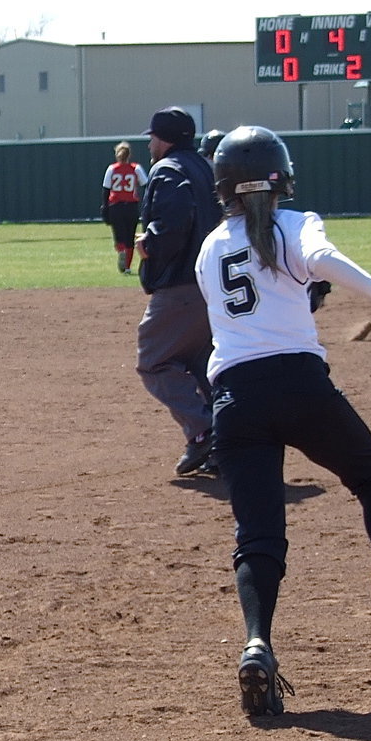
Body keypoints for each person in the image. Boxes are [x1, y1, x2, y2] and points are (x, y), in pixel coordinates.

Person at [194, 125, 371, 718]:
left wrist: (301, 292)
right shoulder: (296, 222)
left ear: (223, 189)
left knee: (258, 536)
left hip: (234, 397)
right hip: (300, 386)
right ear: (282, 177)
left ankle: (257, 642)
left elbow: (256, 299)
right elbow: (318, 259)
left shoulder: (210, 248)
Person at [134, 106, 222, 476]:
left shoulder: (168, 169)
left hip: (181, 284)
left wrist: (150, 243)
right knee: (202, 364)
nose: (150, 143)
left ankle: (204, 434)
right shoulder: (205, 166)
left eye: (153, 136)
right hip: (210, 280)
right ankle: (229, 438)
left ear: (165, 138)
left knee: (154, 360)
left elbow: (173, 219)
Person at [101, 140, 148, 274]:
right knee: (130, 236)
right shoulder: (136, 168)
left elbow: (106, 189)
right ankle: (127, 267)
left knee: (118, 235)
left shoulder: (112, 168)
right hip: (131, 206)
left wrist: (105, 207)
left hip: (116, 205)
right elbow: (146, 185)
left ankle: (120, 251)